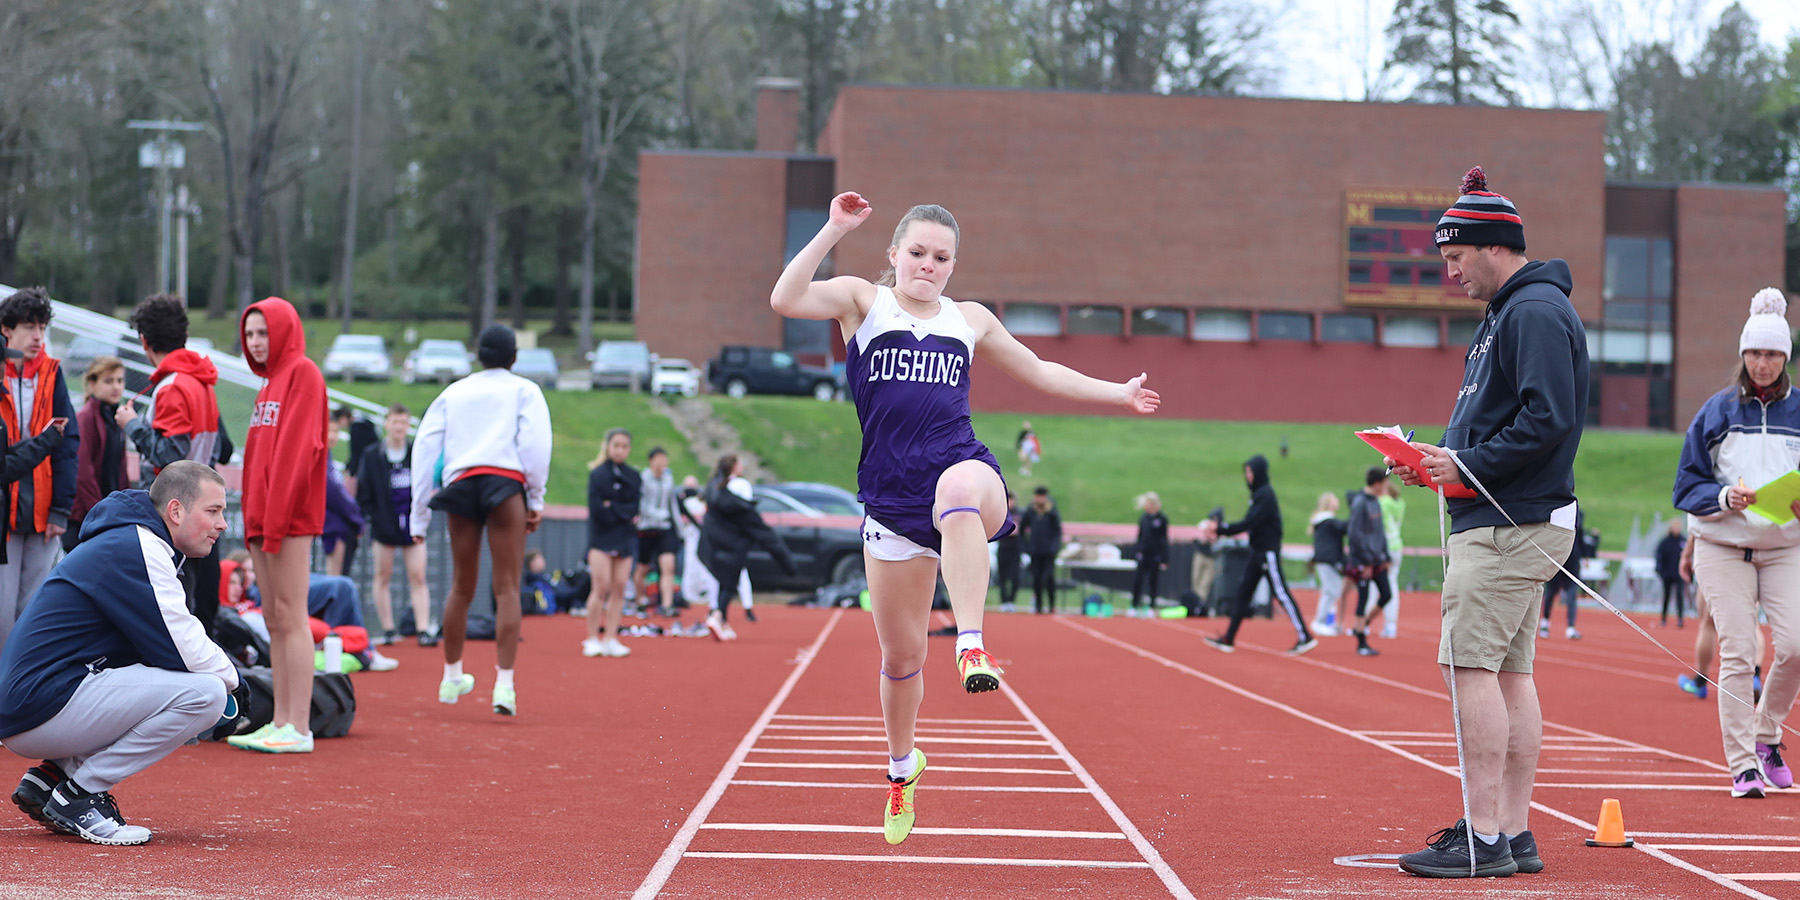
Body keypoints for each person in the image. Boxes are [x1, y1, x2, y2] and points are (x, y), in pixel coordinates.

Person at [770, 193, 1158, 845]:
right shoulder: (863, 301)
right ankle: (901, 769)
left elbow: (1038, 370)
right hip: (891, 501)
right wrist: (834, 229)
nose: (928, 265)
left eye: (941, 257)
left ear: (954, 265)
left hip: (963, 472)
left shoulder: (969, 319)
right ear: (894, 255)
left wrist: (1114, 392)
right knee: (900, 657)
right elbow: (785, 299)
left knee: (957, 488)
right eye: (917, 253)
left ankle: (973, 642)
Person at [1388, 167, 1587, 877]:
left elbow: (1547, 419)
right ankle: (1512, 833)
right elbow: (1515, 418)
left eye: (1454, 258)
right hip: (1509, 515)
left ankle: (1484, 838)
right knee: (1509, 674)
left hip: (1509, 522)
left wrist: (1464, 468)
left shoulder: (1530, 312)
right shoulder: (1512, 312)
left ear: (1491, 247)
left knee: (1470, 666)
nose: (1449, 273)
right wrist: (1438, 461)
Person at [0, 462, 240, 845]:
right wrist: (236, 683)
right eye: (213, 511)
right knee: (207, 694)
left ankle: (52, 779)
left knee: (180, 682)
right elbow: (182, 642)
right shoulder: (137, 544)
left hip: (38, 701)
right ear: (175, 511)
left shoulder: (130, 540)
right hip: (41, 703)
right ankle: (77, 796)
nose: (222, 523)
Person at [1672, 286, 1800, 800]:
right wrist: (1726, 495)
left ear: (1785, 357)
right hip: (1723, 546)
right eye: (1754, 353)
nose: (1762, 363)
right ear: (1742, 355)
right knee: (1739, 652)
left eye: (1772, 354)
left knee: (1794, 647)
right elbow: (1686, 485)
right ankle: (1743, 765)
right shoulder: (1716, 411)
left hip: (1785, 546)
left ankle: (1767, 735)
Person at [410, 324, 551, 715]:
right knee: (507, 587)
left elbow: (424, 448)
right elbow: (535, 445)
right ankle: (504, 686)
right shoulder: (525, 390)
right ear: (514, 357)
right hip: (505, 485)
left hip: (462, 484)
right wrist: (535, 496)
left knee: (461, 585)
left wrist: (418, 517)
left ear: (478, 354)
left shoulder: (453, 392)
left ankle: (451, 677)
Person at [233, 296, 329, 754]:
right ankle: (282, 721)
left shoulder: (303, 373)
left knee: (292, 617)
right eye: (249, 334)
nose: (255, 342)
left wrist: (274, 518)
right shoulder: (267, 385)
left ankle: (300, 727)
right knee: (273, 619)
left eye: (263, 332)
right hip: (262, 516)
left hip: (288, 518)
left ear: (283, 330)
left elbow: (297, 454)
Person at [118, 292, 227, 636]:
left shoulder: (172, 386)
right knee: (201, 612)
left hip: (178, 516)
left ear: (144, 341)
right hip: (207, 506)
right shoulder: (202, 382)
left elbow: (170, 459)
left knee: (180, 612)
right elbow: (224, 447)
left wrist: (132, 424)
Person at [0, 287, 80, 654]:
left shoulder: (52, 373)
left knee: (31, 611)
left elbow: (69, 442)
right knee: (2, 614)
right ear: (6, 330)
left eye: (43, 328)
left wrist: (61, 509)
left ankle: (20, 693)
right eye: (29, 327)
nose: (37, 337)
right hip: (5, 511)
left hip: (44, 511)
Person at [1201, 455, 1316, 655]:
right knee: (1243, 593)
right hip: (1257, 552)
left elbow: (1249, 523)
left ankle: (1305, 635)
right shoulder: (1257, 495)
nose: (1247, 476)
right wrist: (1220, 530)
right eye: (1246, 472)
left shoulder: (1265, 495)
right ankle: (1229, 638)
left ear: (1259, 473)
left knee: (1281, 594)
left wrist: (1219, 529)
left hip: (1267, 553)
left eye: (1250, 472)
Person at [357, 403, 435, 646]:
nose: (400, 427)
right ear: (387, 424)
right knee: (383, 576)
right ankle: (388, 628)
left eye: (404, 422)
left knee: (418, 576)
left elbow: (426, 483)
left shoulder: (416, 452)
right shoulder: (372, 455)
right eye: (395, 422)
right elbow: (364, 490)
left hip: (412, 525)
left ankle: (423, 628)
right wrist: (374, 517)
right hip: (384, 526)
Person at [697, 454, 796, 641]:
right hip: (732, 547)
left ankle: (722, 619)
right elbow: (767, 536)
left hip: (711, 545)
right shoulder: (742, 508)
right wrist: (788, 564)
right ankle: (717, 616)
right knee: (728, 585)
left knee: (723, 584)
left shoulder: (713, 490)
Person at [582, 428, 639, 658]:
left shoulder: (634, 476)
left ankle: (611, 638)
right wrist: (617, 510)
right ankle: (591, 637)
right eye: (616, 445)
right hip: (601, 538)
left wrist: (612, 506)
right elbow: (597, 509)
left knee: (620, 587)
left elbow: (633, 508)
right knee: (601, 586)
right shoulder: (597, 475)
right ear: (608, 446)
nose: (620, 450)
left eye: (625, 446)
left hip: (624, 537)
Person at [70, 357, 128, 553]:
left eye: (120, 381)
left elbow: (120, 470)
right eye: (109, 381)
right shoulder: (85, 418)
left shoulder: (117, 419)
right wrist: (100, 512)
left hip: (108, 513)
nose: (116, 387)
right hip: (86, 517)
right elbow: (83, 472)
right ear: (92, 384)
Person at [1343, 467, 1394, 657]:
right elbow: (1355, 534)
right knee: (1362, 598)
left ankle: (1361, 627)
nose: (1387, 486)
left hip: (1377, 560)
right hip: (1363, 561)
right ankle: (1361, 642)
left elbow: (1379, 532)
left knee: (1386, 594)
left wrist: (1385, 556)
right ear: (1377, 483)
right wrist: (1365, 561)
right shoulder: (1360, 503)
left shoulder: (1376, 503)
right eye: (1385, 482)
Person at [634, 447, 682, 618]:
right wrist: (657, 514)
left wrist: (679, 528)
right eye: (659, 458)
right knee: (643, 567)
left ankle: (667, 605)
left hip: (665, 528)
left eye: (665, 458)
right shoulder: (643, 478)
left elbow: (672, 505)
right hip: (647, 528)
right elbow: (640, 504)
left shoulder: (668, 479)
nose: (662, 462)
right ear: (651, 460)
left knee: (668, 566)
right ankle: (640, 600)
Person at [321, 409, 365, 578]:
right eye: (329, 431)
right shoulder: (320, 459)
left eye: (336, 431)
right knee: (335, 580)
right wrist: (355, 516)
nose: (332, 436)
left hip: (340, 526)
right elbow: (334, 493)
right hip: (333, 527)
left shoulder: (329, 458)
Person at [1537, 511, 1590, 641]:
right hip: (1557, 558)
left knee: (1572, 593)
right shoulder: (1554, 510)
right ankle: (1545, 623)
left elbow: (1580, 534)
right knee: (1551, 591)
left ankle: (1570, 627)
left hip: (1572, 560)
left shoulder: (1577, 512)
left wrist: (1585, 556)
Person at [1307, 491, 1347, 637]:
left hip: (1324, 559)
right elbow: (1345, 526)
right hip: (1327, 559)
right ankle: (1320, 621)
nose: (1337, 501)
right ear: (1329, 503)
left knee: (1331, 590)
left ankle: (1327, 621)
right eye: (1334, 499)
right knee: (1331, 590)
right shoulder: (1327, 521)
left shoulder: (1323, 522)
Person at [1020, 486, 1062, 615]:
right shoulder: (1030, 511)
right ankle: (1038, 605)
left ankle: (1052, 604)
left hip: (1049, 551)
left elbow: (1057, 531)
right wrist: (1026, 547)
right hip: (1035, 551)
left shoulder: (1052, 511)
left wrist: (1054, 547)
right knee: (1036, 578)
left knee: (1049, 577)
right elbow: (1022, 529)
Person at [1374, 473, 1405, 638]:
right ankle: (1391, 624)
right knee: (1392, 583)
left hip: (1383, 547)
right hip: (1397, 545)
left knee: (1374, 585)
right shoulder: (1400, 503)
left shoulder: (1381, 502)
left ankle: (1365, 622)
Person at [1130, 491, 1169, 617]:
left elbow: (1164, 539)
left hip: (1155, 555)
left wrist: (1164, 558)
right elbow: (1140, 536)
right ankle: (1134, 605)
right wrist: (1137, 551)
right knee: (1138, 580)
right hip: (1143, 553)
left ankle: (1151, 606)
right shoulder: (1144, 518)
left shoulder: (1162, 519)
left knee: (1153, 581)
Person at [1655, 519, 1687, 628]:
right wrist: (1660, 570)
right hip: (1667, 574)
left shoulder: (1683, 541)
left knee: (1679, 596)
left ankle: (1680, 619)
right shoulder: (1665, 542)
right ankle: (1663, 619)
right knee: (1666, 597)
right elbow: (1659, 556)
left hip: (1680, 574)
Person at [995, 491, 1022, 613]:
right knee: (1002, 577)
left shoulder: (1020, 513)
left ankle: (1011, 601)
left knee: (1015, 576)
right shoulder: (1001, 512)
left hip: (1015, 549)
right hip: (1003, 547)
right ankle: (1004, 601)